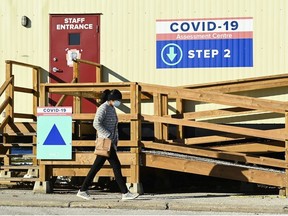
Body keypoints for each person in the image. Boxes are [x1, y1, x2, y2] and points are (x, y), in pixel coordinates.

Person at [77, 89, 139, 201]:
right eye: (118, 100)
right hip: (105, 142)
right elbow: (96, 123)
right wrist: (108, 134)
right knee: (116, 167)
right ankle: (125, 193)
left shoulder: (111, 108)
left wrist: (114, 139)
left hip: (110, 142)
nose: (119, 102)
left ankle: (83, 190)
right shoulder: (103, 108)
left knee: (97, 167)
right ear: (112, 99)